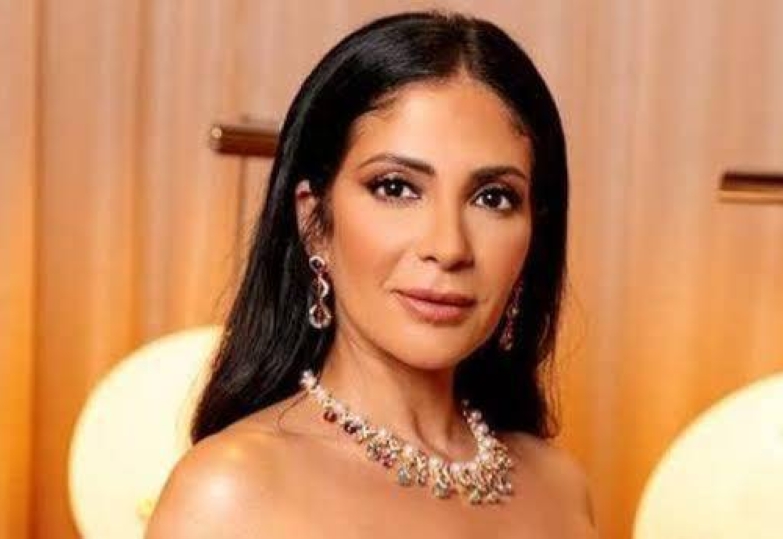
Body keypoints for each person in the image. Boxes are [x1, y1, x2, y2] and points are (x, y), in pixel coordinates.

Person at [147, 10, 597, 538]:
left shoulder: (558, 487)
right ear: (314, 221)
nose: (449, 247)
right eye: (396, 188)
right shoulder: (231, 492)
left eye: (493, 198)